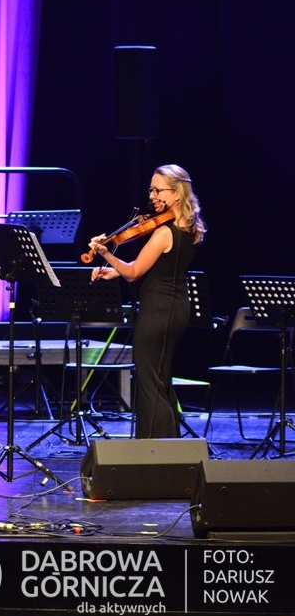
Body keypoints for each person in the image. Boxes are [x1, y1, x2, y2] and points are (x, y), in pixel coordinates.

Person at [89, 165, 205, 439]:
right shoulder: (188, 229)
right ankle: (169, 447)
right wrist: (115, 271)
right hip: (175, 309)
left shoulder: (164, 232)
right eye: (151, 190)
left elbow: (134, 273)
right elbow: (157, 267)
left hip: (157, 313)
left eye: (158, 190)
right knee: (160, 381)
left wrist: (106, 253)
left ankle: (154, 449)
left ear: (176, 193)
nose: (152, 196)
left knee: (149, 383)